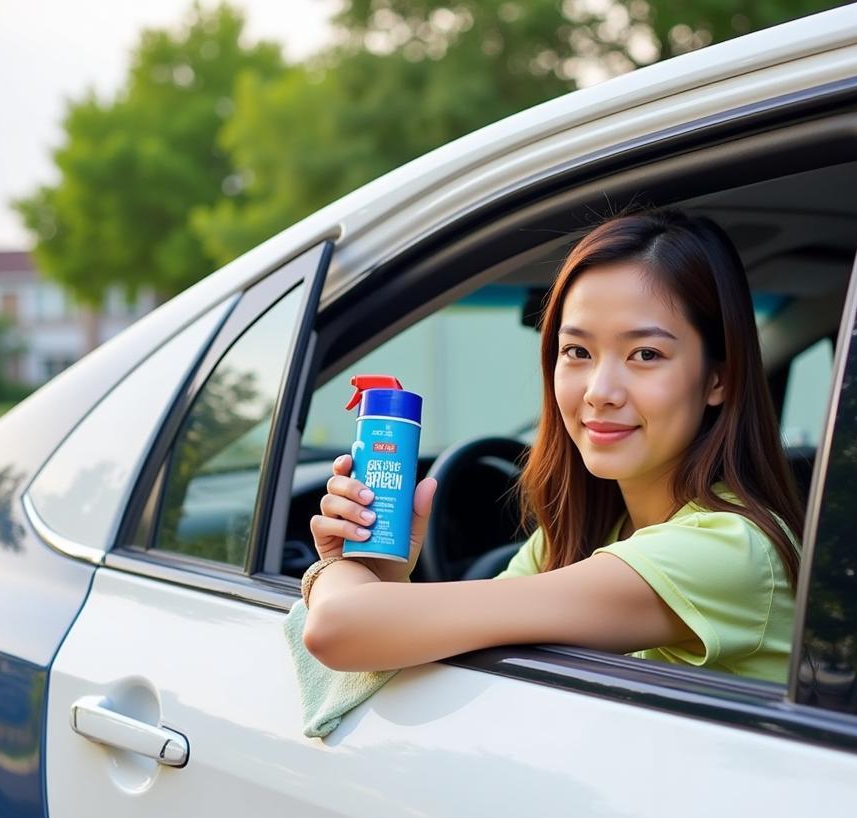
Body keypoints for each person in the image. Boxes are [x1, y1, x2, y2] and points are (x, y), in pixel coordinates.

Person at [302, 207, 804, 685]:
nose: (599, 392)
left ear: (719, 378)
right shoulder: (586, 531)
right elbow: (443, 643)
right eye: (577, 351)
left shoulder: (728, 552)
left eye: (645, 354)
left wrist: (335, 573)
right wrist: (381, 569)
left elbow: (337, 629)